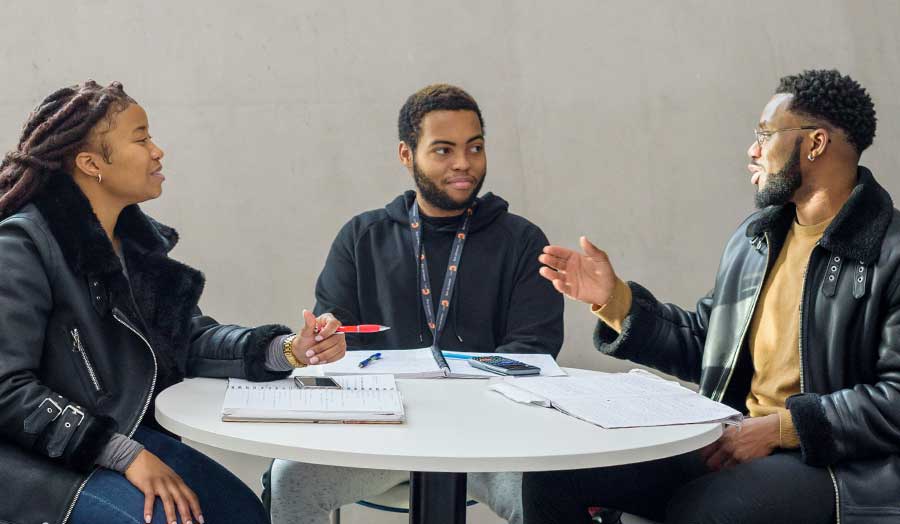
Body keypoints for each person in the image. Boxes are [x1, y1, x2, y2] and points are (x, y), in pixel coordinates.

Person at [524, 69, 897, 524]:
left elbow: (894, 398)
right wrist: (615, 301)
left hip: (837, 467)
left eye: (765, 134)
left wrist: (782, 428)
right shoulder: (756, 238)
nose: (753, 150)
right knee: (555, 474)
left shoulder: (890, 251)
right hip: (736, 438)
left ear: (816, 143)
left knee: (705, 510)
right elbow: (709, 346)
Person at [0, 81, 347, 524]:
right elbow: (7, 391)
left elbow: (187, 338)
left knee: (244, 515)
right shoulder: (22, 246)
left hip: (120, 437)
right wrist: (123, 454)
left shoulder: (134, 246)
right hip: (38, 466)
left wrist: (285, 350)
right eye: (141, 139)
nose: (158, 151)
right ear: (91, 164)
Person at [266, 84, 564, 524]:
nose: (463, 163)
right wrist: (328, 340)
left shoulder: (522, 241)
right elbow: (337, 331)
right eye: (443, 150)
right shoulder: (362, 236)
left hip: (488, 437)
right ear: (407, 155)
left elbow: (533, 351)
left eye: (474, 147)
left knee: (548, 496)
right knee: (289, 480)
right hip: (382, 434)